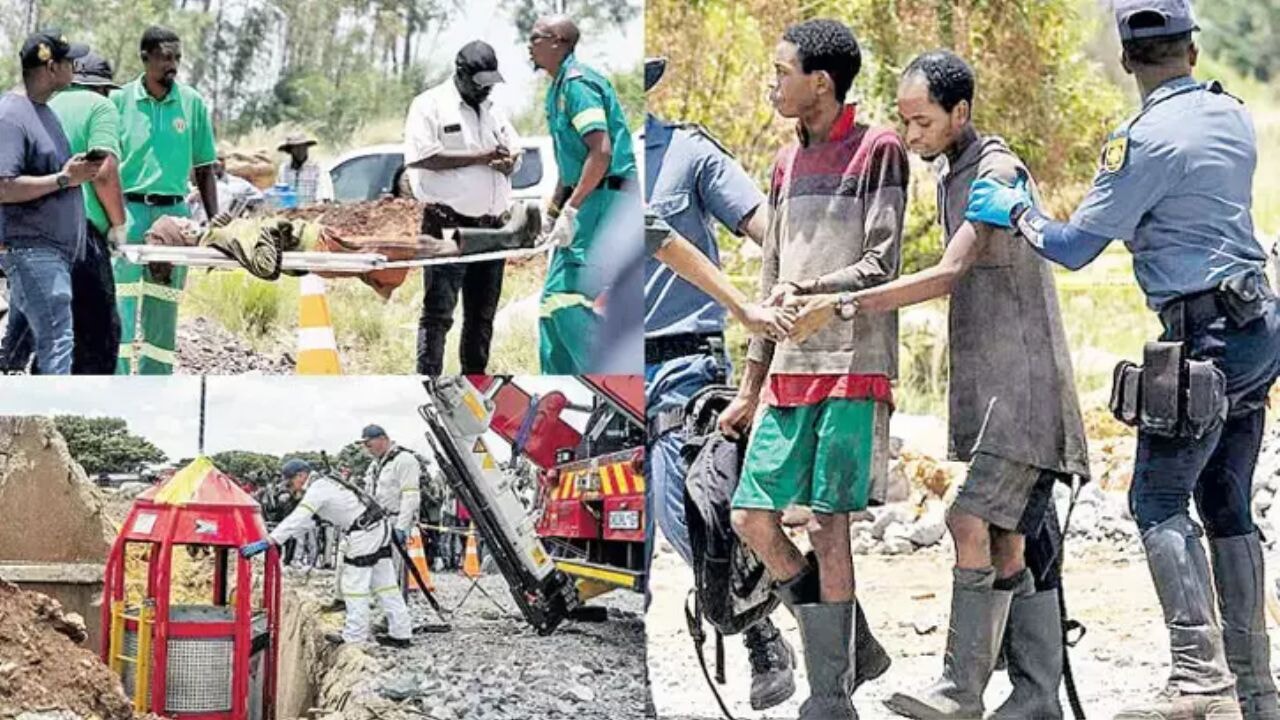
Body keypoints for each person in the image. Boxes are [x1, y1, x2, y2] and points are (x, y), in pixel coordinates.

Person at [965, 2, 1280, 718]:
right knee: (1226, 497)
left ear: (1130, 61)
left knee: (1158, 499)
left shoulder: (1140, 142)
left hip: (1202, 336)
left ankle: (1200, 677)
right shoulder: (1230, 116)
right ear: (1193, 51)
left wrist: (1017, 210)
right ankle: (1257, 691)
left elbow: (1074, 248)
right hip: (1259, 324)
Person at [786, 50, 1088, 719]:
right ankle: (1036, 698)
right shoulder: (953, 172)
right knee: (1009, 538)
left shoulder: (995, 170)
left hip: (1027, 390)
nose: (911, 135)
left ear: (962, 112)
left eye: (921, 121)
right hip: (996, 393)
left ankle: (961, 690)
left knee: (966, 517)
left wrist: (842, 308)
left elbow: (948, 274)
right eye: (903, 121)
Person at [720, 19, 909, 719]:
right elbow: (770, 281)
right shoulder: (782, 164)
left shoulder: (879, 150)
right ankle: (851, 640)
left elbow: (881, 265)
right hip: (788, 374)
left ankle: (829, 697)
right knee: (752, 518)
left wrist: (813, 298)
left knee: (830, 526)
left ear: (820, 83)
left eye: (781, 72)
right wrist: (749, 384)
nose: (773, 84)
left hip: (854, 367)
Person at [641, 57, 812, 710]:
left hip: (681, 364)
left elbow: (769, 231)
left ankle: (766, 627)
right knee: (624, 548)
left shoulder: (687, 152)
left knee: (698, 516)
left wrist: (802, 272)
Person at [529, 15, 639, 373]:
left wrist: (573, 210)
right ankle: (558, 377)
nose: (529, 45)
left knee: (568, 300)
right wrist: (552, 213)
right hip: (589, 199)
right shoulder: (558, 88)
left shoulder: (578, 84)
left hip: (605, 202)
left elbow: (601, 152)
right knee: (550, 306)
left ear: (559, 42)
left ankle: (613, 379)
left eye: (536, 38)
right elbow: (569, 166)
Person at [403, 41, 520, 375]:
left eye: (489, 84)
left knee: (482, 316)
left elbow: (515, 149)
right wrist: (481, 157)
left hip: (492, 229)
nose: (484, 90)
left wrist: (509, 162)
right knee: (439, 313)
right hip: (447, 225)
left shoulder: (494, 110)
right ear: (461, 74)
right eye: (479, 83)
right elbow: (422, 156)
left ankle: (475, 379)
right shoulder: (430, 105)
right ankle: (428, 378)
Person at [112, 25, 218, 375]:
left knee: (164, 301)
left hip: (175, 215)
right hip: (127, 211)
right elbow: (105, 167)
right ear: (145, 58)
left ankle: (155, 386)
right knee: (120, 301)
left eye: (177, 58)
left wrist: (216, 222)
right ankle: (117, 383)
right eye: (164, 57)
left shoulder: (192, 104)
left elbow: (204, 168)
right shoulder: (118, 102)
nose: (172, 65)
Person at [0, 29, 101, 375]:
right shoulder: (11, 116)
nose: (76, 64)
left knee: (15, 352)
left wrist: (76, 172)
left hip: (49, 254)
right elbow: (4, 187)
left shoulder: (44, 111)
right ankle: (51, 421)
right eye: (69, 59)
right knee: (58, 340)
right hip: (33, 252)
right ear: (51, 67)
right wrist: (63, 179)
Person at [246, 458, 412, 647]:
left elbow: (299, 517)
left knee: (354, 586)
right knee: (386, 585)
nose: (290, 487)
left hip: (363, 532)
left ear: (301, 475)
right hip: (377, 527)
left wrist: (270, 540)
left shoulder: (318, 489)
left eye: (290, 481)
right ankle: (401, 633)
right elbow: (308, 522)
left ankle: (354, 638)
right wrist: (280, 537)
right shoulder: (326, 483)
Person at [47, 52, 127, 375]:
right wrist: (118, 224)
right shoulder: (100, 107)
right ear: (101, 88)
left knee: (52, 337)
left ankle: (44, 418)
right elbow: (104, 171)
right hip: (80, 237)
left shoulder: (43, 106)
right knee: (98, 336)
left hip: (36, 237)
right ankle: (85, 417)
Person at [361, 424, 423, 595]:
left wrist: (402, 526)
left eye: (369, 444)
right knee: (378, 570)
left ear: (382, 440)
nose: (368, 449)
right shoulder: (375, 465)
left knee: (395, 571)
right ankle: (382, 608)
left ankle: (395, 615)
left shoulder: (404, 460)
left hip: (395, 519)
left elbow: (410, 496)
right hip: (377, 522)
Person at [188, 150, 263, 224]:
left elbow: (259, 200)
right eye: (212, 159)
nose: (217, 162)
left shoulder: (239, 185)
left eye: (220, 159)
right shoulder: (187, 186)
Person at [275, 133, 322, 206]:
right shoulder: (284, 169)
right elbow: (280, 193)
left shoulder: (317, 168)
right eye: (296, 148)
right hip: (288, 212)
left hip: (312, 211)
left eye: (303, 147)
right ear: (290, 150)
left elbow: (322, 196)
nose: (300, 151)